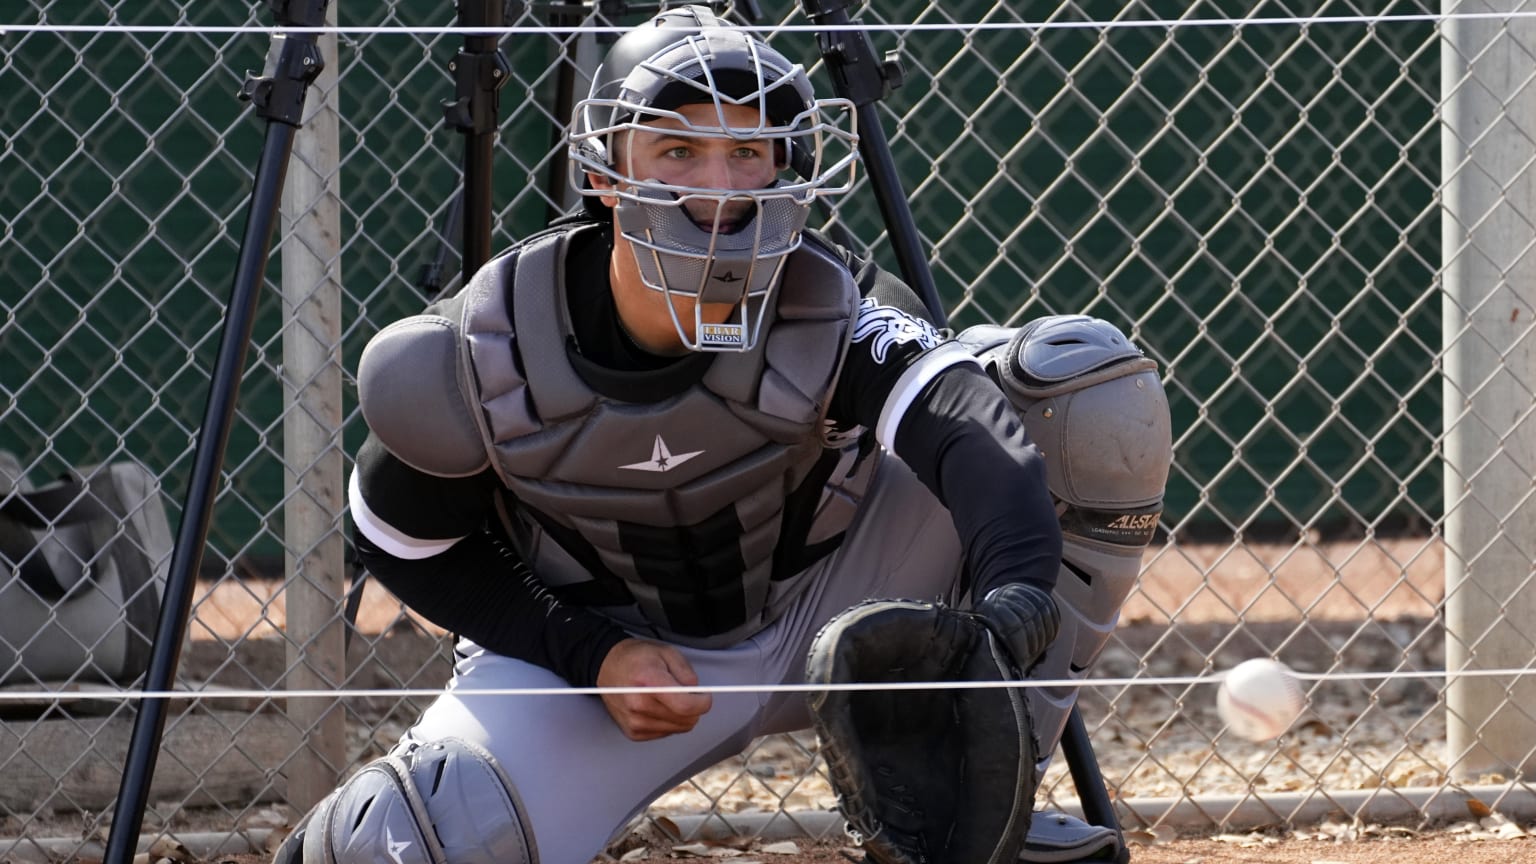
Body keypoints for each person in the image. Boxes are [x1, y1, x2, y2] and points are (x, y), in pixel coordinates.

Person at [275, 6, 1168, 863]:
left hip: (839, 604)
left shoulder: (834, 301)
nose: (719, 188)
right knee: (417, 839)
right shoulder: (487, 346)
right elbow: (402, 542)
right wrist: (590, 656)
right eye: (677, 150)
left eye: (748, 152)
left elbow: (974, 436)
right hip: (608, 657)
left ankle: (977, 804)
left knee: (1084, 393)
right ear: (602, 171)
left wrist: (1011, 605)